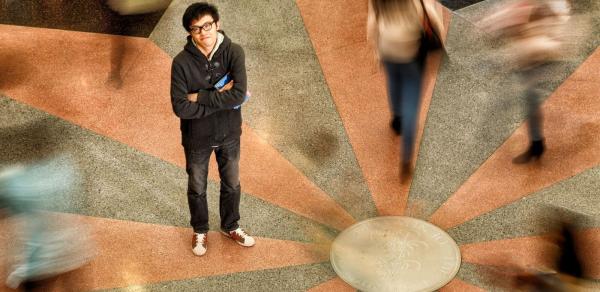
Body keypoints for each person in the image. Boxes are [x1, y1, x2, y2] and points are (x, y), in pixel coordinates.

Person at [170, 2, 254, 257]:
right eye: (196, 29)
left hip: (230, 134)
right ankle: (200, 229)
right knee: (197, 186)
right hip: (197, 137)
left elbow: (239, 94)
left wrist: (201, 97)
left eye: (207, 26)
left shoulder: (234, 52)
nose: (203, 32)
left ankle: (231, 225)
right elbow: (180, 107)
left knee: (232, 183)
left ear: (217, 24)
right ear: (190, 33)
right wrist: (220, 96)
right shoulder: (181, 63)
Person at [479, 0, 571, 164]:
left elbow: (559, 18)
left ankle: (535, 143)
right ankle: (536, 143)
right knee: (529, 98)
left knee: (529, 96)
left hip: (540, 53)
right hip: (529, 53)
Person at [367, 0, 445, 180]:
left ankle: (396, 119)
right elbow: (431, 14)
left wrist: (376, 51)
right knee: (412, 95)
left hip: (387, 45)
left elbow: (372, 22)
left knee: (393, 80)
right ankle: (406, 156)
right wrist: (440, 37)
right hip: (410, 48)